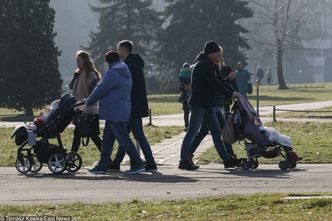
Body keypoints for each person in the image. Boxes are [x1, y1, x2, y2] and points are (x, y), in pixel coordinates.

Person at [178, 41, 238, 170]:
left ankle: (226, 159)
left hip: (208, 105)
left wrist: (233, 92)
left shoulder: (212, 65)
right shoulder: (203, 65)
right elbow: (214, 83)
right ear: (210, 53)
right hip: (199, 104)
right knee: (192, 131)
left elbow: (220, 81)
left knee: (216, 132)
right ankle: (184, 160)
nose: (219, 55)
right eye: (217, 52)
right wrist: (231, 94)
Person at [86, 51, 145, 174]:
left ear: (107, 61)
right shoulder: (125, 70)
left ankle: (138, 163)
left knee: (123, 139)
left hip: (114, 111)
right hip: (120, 109)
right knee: (107, 140)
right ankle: (103, 165)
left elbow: (101, 88)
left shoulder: (112, 73)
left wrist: (89, 101)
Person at [109, 40, 157, 172]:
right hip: (136, 104)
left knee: (136, 134)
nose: (117, 51)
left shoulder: (129, 66)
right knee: (126, 135)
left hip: (132, 105)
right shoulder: (135, 63)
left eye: (118, 49)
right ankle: (117, 162)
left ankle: (151, 162)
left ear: (124, 49)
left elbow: (129, 87)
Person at [69, 51, 102, 153]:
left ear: (85, 61)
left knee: (92, 135)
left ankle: (72, 156)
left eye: (79, 61)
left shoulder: (91, 74)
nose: (77, 63)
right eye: (76, 61)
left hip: (88, 109)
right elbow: (71, 87)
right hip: (79, 108)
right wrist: (75, 76)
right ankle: (72, 156)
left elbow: (93, 92)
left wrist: (86, 101)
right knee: (82, 134)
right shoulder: (78, 74)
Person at [178, 62, 192, 131]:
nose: (186, 69)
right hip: (185, 96)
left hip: (192, 96)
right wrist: (185, 86)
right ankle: (186, 126)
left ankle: (192, 126)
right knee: (186, 113)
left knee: (193, 113)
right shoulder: (181, 74)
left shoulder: (192, 73)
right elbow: (180, 86)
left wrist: (190, 85)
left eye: (187, 67)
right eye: (185, 67)